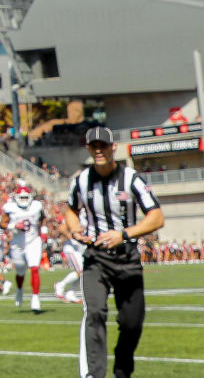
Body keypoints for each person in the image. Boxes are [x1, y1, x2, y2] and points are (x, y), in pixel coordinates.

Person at [65, 127, 163, 378]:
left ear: (112, 148)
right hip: (95, 258)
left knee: (132, 322)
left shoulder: (131, 178)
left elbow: (156, 216)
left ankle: (122, 368)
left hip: (127, 257)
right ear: (88, 149)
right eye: (94, 146)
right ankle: (94, 374)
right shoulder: (81, 180)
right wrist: (76, 231)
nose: (99, 150)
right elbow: (71, 210)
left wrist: (125, 234)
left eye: (103, 145)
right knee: (94, 313)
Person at [1, 182, 45, 312]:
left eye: (26, 197)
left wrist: (41, 232)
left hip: (33, 241)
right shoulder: (11, 208)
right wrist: (14, 226)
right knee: (20, 271)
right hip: (17, 243)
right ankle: (19, 290)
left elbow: (43, 218)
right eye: (22, 197)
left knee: (35, 268)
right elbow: (2, 224)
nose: (24, 200)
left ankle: (35, 298)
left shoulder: (37, 206)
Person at [53, 218, 85, 303]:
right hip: (72, 247)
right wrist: (72, 238)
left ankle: (71, 293)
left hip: (81, 247)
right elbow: (61, 228)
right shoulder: (76, 215)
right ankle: (60, 284)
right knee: (81, 271)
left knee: (84, 272)